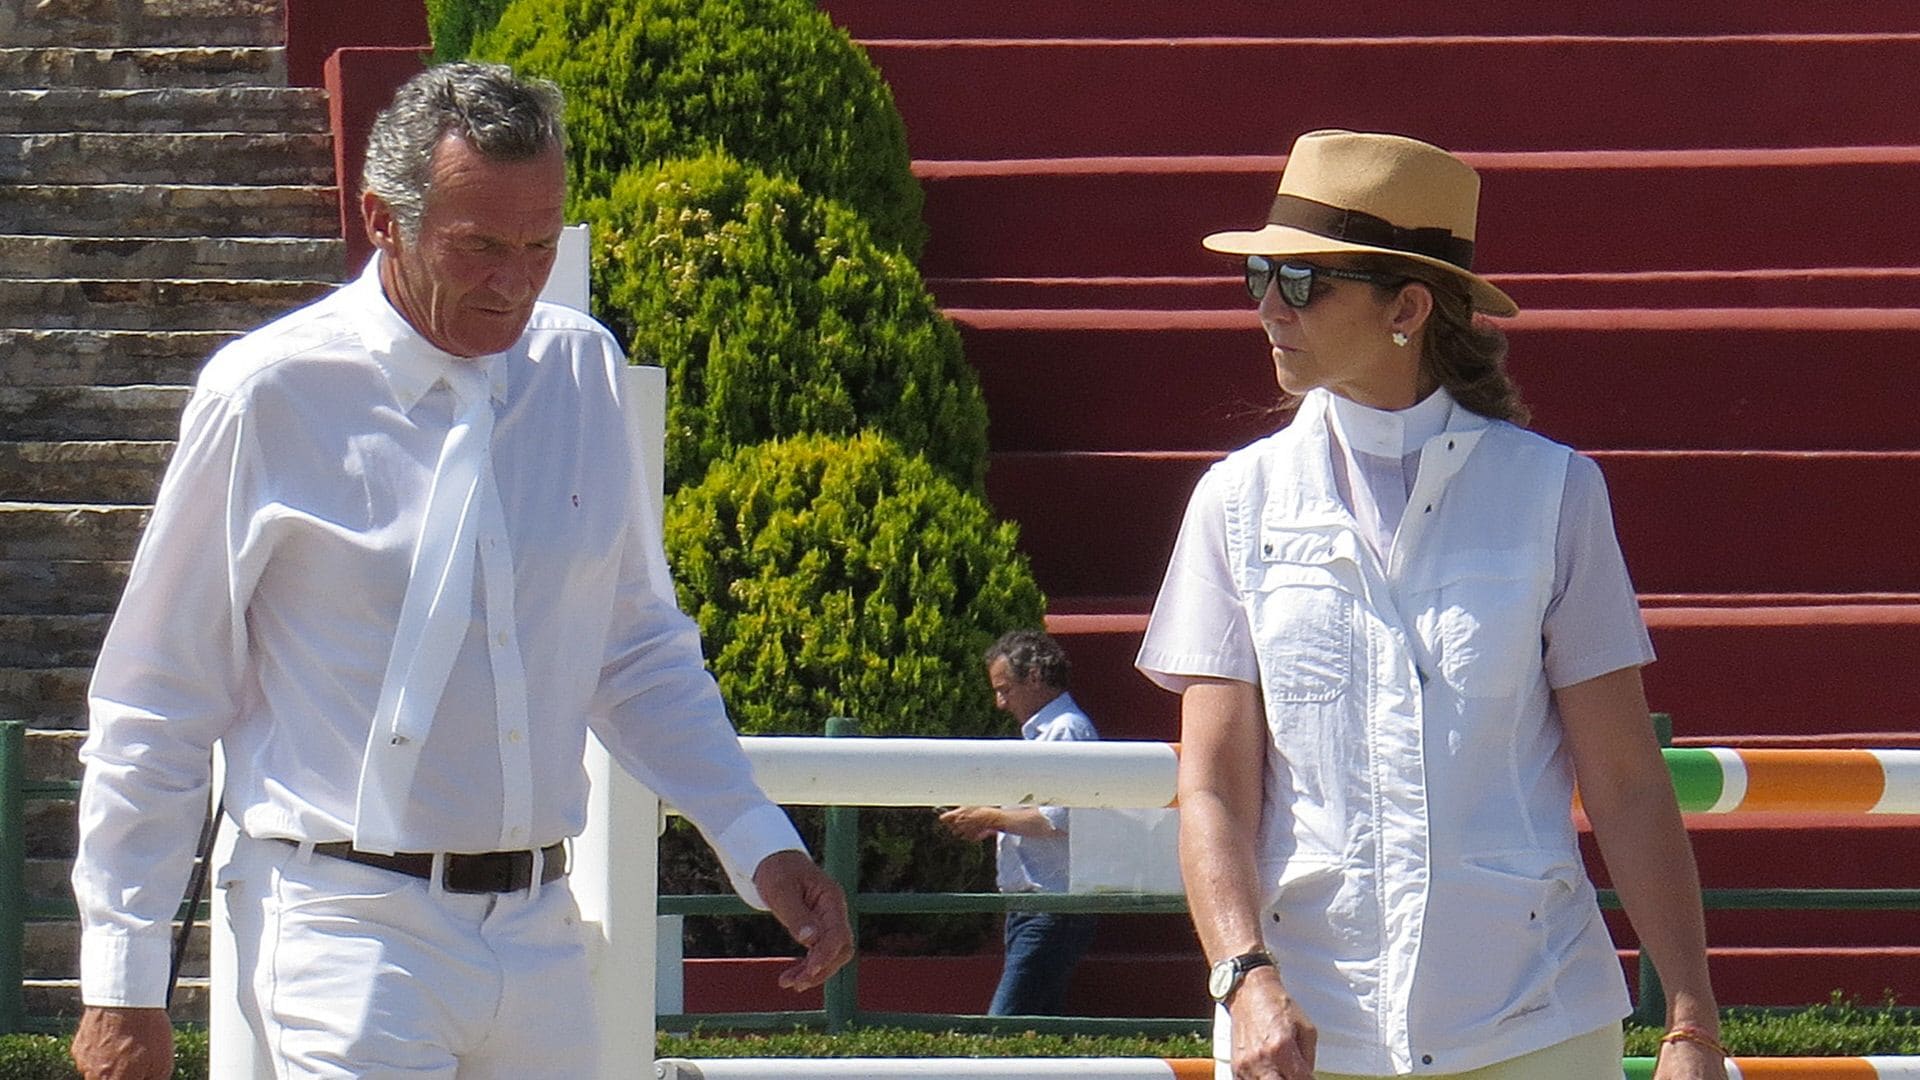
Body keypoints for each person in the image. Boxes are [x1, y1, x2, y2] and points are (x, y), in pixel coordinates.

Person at [68, 62, 852, 1080]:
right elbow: (158, 698)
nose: (515, 280)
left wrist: (757, 838)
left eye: (539, 243)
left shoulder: (580, 371)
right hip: (340, 927)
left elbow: (635, 647)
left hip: (540, 935)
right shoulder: (269, 395)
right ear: (381, 220)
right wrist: (122, 984)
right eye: (478, 246)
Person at [1134, 130, 1726, 1080]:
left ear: (1407, 306)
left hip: (1533, 1021)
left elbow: (1623, 778)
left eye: (1301, 282)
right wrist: (1243, 977)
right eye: (1260, 273)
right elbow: (1209, 786)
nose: (1266, 306)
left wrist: (1690, 1021)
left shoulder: (1555, 493)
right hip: (1299, 1034)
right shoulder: (1234, 501)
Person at [939, 630, 1100, 1016]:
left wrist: (991, 817)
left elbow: (1061, 819)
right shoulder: (1056, 731)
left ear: (1035, 677)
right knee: (1036, 1023)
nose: (1000, 702)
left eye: (1005, 689)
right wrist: (995, 822)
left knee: (1006, 1022)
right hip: (1038, 904)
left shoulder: (1064, 731)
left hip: (1051, 904)